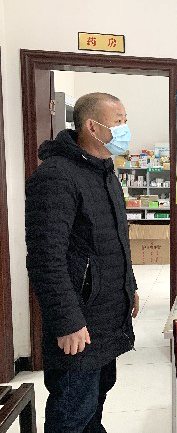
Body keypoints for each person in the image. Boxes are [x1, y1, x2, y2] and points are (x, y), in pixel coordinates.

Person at [25, 92, 139, 432]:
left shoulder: (104, 172)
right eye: (118, 121)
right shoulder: (57, 176)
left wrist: (129, 286)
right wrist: (67, 322)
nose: (125, 128)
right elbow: (46, 258)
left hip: (105, 317)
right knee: (72, 412)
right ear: (92, 126)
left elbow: (115, 242)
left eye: (125, 120)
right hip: (79, 322)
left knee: (95, 402)